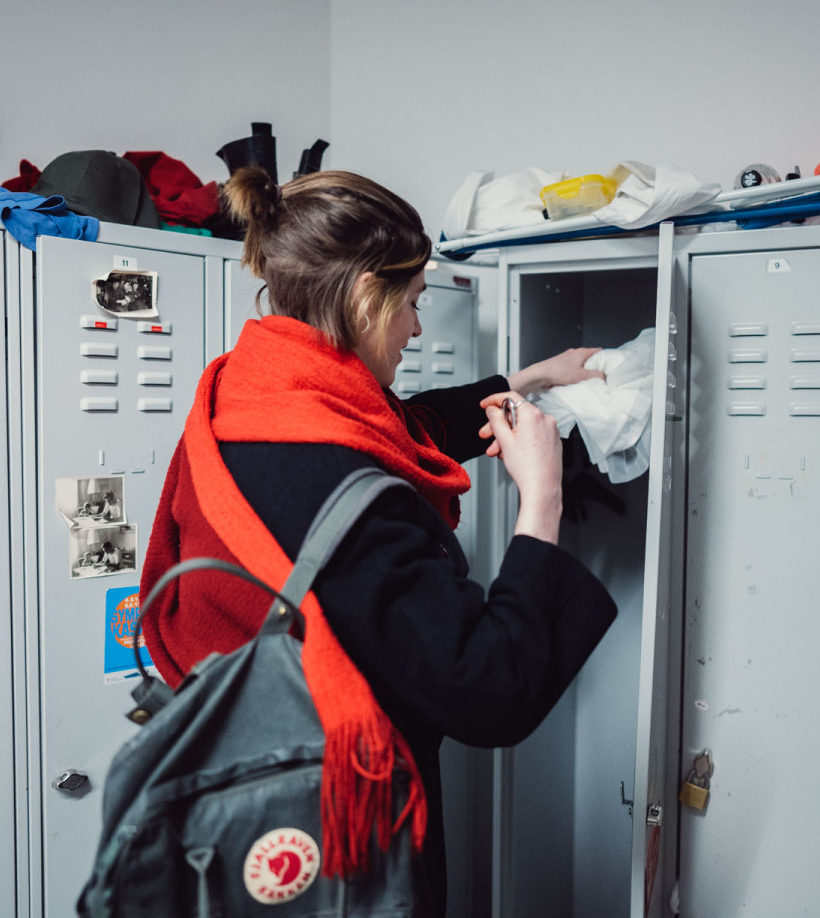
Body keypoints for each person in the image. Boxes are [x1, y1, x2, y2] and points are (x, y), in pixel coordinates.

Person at [141, 166, 617, 916]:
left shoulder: (253, 390)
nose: (419, 329)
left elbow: (394, 427)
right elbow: (489, 687)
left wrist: (529, 379)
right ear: (366, 297)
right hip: (334, 835)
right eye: (414, 303)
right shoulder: (344, 494)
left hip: (241, 794)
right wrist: (543, 498)